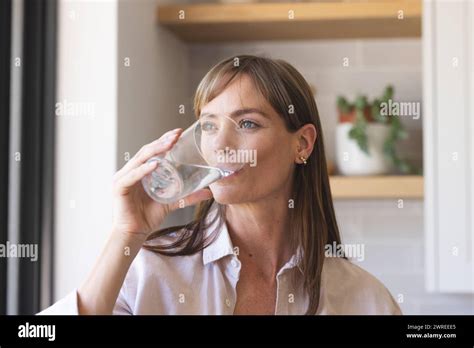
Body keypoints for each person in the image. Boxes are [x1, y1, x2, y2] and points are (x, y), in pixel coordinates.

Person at [40, 55, 402, 315]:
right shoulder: (148, 271)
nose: (219, 145)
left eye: (247, 124)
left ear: (302, 144)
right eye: (209, 125)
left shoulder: (364, 299)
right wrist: (126, 234)